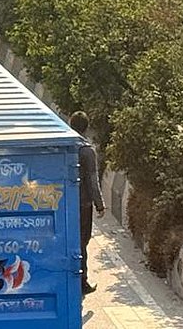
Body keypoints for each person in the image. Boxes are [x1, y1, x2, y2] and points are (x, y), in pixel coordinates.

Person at [70, 111, 106, 296]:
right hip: (83, 204)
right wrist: (100, 204)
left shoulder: (65, 147)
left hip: (64, 204)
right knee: (82, 242)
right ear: (87, 127)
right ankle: (82, 281)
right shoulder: (87, 150)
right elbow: (93, 180)